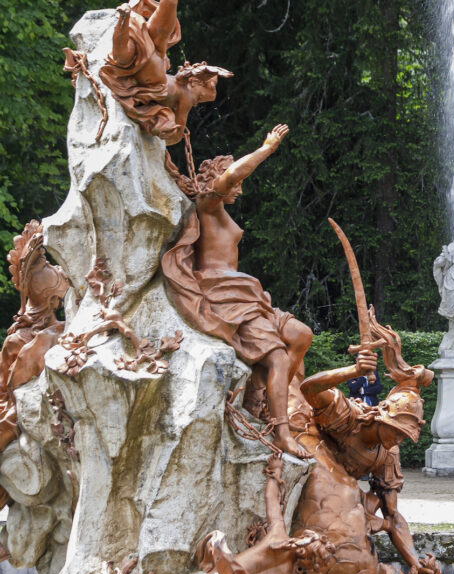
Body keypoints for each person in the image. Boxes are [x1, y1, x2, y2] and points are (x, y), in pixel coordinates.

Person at [161, 125, 313, 456]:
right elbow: (230, 177)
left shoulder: (220, 211)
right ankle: (281, 431)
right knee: (277, 356)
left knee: (301, 335)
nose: (240, 190)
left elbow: (231, 179)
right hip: (224, 294)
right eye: (236, 183)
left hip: (245, 293)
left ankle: (264, 397)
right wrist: (266, 149)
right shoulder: (208, 205)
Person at [99, 0, 232, 145]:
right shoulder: (186, 96)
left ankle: (124, 20)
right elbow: (177, 134)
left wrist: (164, 127)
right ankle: (124, 20)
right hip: (156, 80)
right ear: (195, 83)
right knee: (126, 55)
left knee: (131, 53)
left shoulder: (180, 85)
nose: (195, 104)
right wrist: (171, 133)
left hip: (155, 76)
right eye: (198, 98)